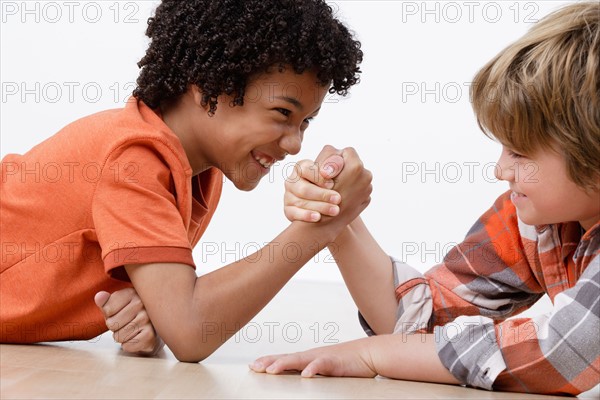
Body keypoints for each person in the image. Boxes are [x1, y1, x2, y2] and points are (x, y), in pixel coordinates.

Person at [250, 2, 600, 396]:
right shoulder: (538, 222)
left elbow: (563, 353)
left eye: (519, 152)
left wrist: (373, 355)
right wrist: (338, 216)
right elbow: (420, 326)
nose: (500, 170)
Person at [0, 0, 370, 362]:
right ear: (208, 85)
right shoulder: (134, 159)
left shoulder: (199, 172)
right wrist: (322, 225)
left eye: (305, 122)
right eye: (282, 113)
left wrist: (155, 316)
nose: (294, 143)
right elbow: (192, 332)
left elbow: (177, 315)